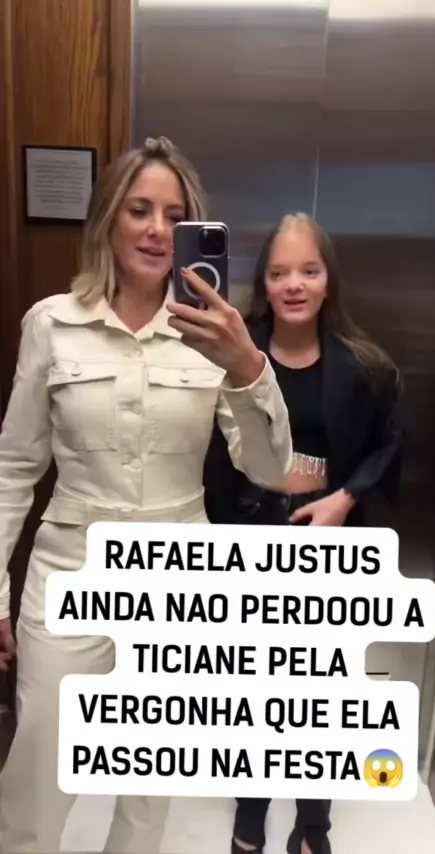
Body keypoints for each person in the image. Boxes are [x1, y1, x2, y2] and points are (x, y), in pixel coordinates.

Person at [0, 136, 292, 854]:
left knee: (149, 780)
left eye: (176, 216)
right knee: (39, 764)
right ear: (108, 219)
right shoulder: (51, 323)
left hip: (177, 575)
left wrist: (249, 367)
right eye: (140, 210)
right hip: (70, 570)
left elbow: (268, 467)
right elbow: (13, 467)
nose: (159, 229)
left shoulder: (216, 335)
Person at [203, 213, 404, 854]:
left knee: (321, 693)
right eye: (279, 272)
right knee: (254, 693)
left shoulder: (366, 366)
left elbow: (389, 445)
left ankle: (313, 827)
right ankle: (250, 819)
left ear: (328, 280)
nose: (294, 285)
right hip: (247, 541)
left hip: (329, 547)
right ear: (263, 282)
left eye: (309, 271)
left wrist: (345, 497)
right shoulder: (232, 353)